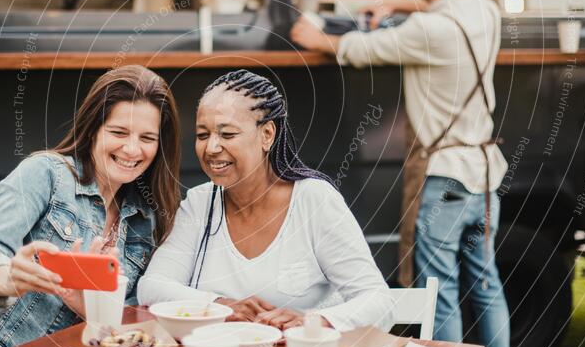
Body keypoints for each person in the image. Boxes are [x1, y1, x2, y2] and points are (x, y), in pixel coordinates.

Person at [290, 0, 510, 347]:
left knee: (440, 295)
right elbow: (442, 8)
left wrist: (310, 33)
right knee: (487, 288)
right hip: (485, 179)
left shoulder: (426, 30)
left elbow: (353, 48)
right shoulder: (486, 12)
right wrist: (401, 4)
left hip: (445, 180)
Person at [0, 65, 181, 347]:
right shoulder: (46, 173)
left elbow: (123, 321)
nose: (132, 149)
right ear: (93, 129)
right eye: (118, 132)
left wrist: (89, 305)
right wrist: (7, 278)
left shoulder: (146, 218)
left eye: (147, 137)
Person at [137, 69, 394, 332]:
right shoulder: (200, 204)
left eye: (227, 134)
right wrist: (220, 305)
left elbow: (378, 301)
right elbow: (152, 286)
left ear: (267, 134)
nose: (211, 148)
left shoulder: (314, 200)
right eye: (203, 135)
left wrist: (315, 321)